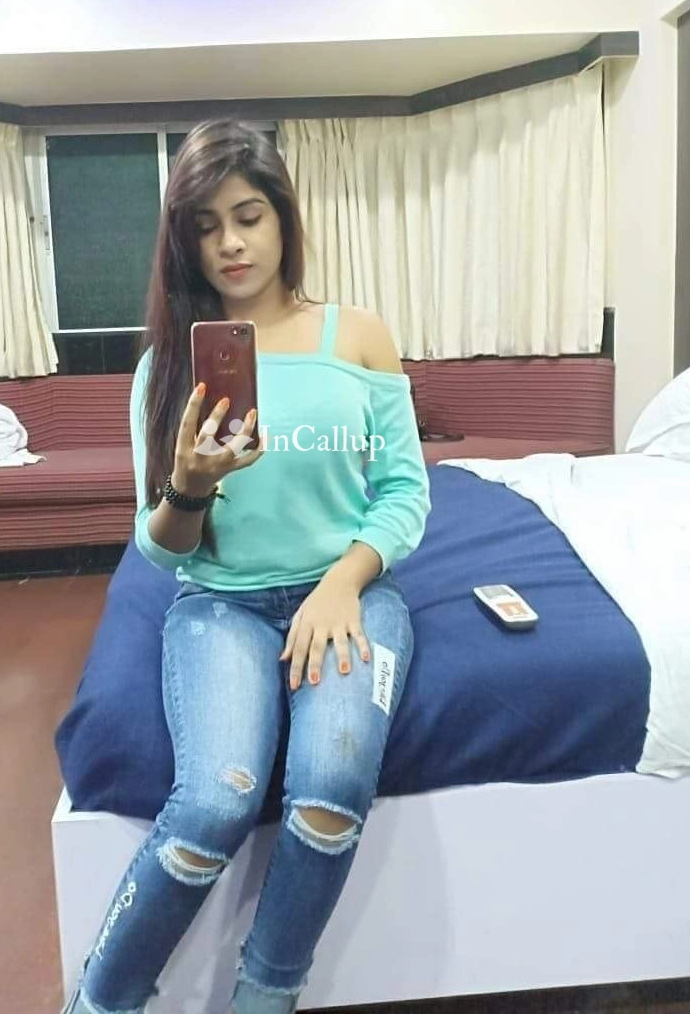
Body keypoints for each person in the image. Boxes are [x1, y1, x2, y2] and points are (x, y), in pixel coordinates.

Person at [63, 119, 431, 1014]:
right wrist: (188, 487)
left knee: (331, 790)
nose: (229, 242)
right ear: (183, 241)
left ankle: (263, 999)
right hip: (219, 606)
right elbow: (161, 547)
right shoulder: (168, 367)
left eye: (248, 216)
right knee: (214, 802)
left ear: (283, 219)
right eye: (205, 225)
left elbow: (404, 492)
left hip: (348, 595)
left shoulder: (358, 336)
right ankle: (100, 1002)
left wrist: (341, 582)